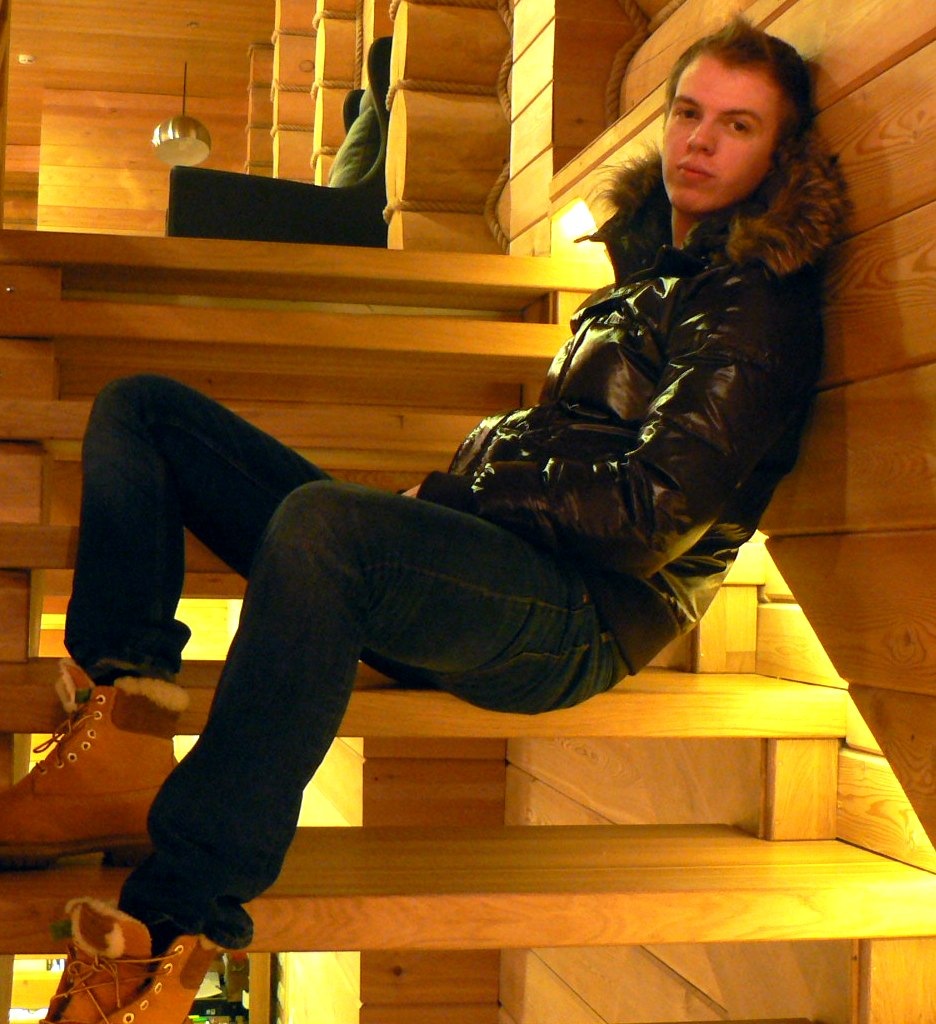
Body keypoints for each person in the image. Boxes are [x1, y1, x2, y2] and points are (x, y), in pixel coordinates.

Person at [2, 16, 849, 1023]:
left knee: (326, 528)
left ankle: (170, 924)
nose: (697, 141)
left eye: (737, 125)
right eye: (687, 112)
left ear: (779, 155)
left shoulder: (757, 304)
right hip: (499, 570)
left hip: (584, 618)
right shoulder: (654, 270)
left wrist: (461, 491)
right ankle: (125, 733)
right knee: (143, 412)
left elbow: (648, 512)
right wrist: (469, 499)